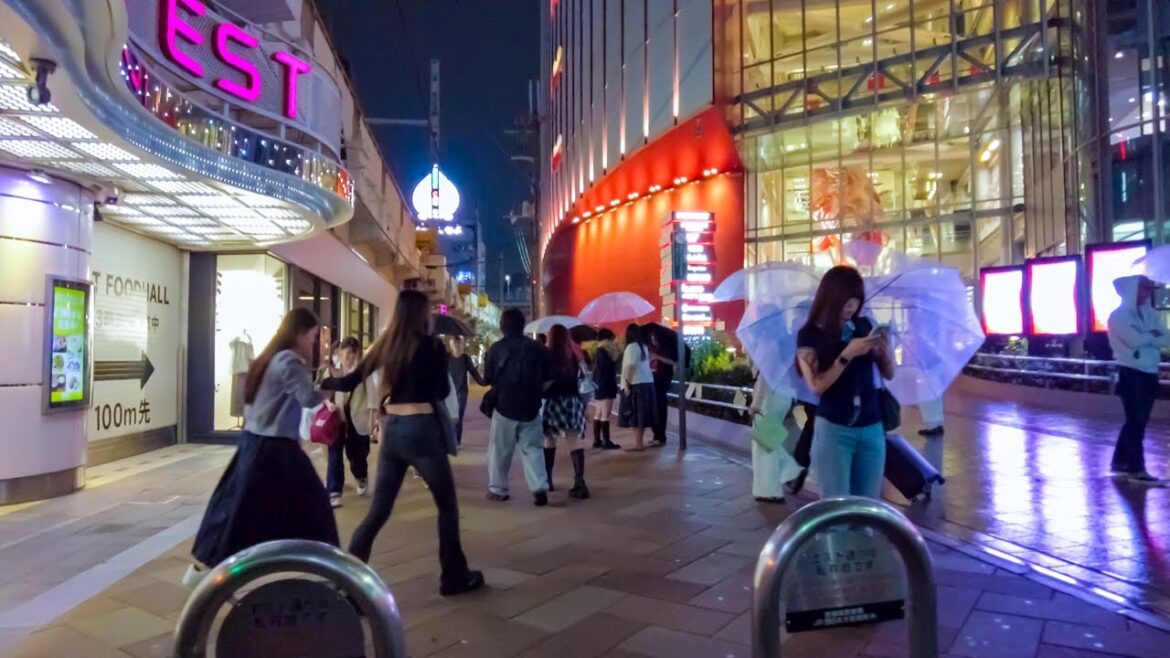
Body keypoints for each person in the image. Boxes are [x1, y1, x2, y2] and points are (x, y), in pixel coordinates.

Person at [322, 290, 484, 596]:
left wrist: (322, 381)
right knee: (446, 505)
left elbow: (347, 382)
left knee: (378, 511)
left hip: (393, 430)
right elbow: (439, 390)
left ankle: (347, 582)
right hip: (421, 429)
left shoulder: (386, 345)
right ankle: (454, 575)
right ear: (421, 314)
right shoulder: (432, 346)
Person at [190, 308, 338, 579]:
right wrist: (333, 386)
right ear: (299, 333)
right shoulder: (289, 361)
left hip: (254, 444)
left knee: (237, 509)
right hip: (277, 449)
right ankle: (329, 569)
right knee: (315, 507)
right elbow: (308, 398)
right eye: (313, 336)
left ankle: (207, 567)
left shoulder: (268, 359)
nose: (314, 343)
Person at [795, 265, 894, 498]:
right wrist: (846, 355)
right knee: (836, 507)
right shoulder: (810, 334)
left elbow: (889, 374)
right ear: (831, 298)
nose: (852, 307)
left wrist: (883, 351)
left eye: (856, 301)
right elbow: (816, 386)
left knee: (867, 507)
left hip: (871, 427)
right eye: (846, 301)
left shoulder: (864, 326)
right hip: (834, 429)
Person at [484, 309, 555, 505]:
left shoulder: (496, 349)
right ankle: (539, 486)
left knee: (499, 449)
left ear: (502, 326)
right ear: (523, 325)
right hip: (531, 407)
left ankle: (498, 489)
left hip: (504, 406)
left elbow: (487, 378)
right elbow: (549, 379)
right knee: (533, 449)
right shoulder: (539, 349)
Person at [1107, 275, 1170, 484]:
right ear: (1132, 290)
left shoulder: (1148, 313)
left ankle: (1121, 463)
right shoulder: (1118, 317)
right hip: (1131, 373)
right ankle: (1135, 468)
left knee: (1137, 422)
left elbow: (1167, 337)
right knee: (1136, 421)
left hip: (1149, 372)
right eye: (1144, 288)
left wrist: (1147, 336)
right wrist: (1152, 336)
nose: (1148, 292)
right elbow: (1134, 341)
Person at [541, 324, 591, 498]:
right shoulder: (574, 356)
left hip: (553, 402)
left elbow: (544, 381)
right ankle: (579, 482)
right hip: (572, 402)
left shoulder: (547, 356)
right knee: (573, 441)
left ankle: (547, 480)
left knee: (549, 439)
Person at [325, 337, 374, 508]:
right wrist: (328, 403)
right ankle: (334, 491)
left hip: (358, 419)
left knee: (357, 455)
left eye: (354, 353)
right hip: (337, 419)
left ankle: (361, 477)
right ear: (340, 352)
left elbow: (372, 397)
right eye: (348, 353)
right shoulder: (332, 371)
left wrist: (373, 421)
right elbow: (324, 392)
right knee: (334, 454)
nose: (351, 357)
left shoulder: (363, 372)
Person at [749, 368, 803, 503]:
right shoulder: (786, 357)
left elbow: (763, 378)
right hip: (784, 398)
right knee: (770, 443)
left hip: (769, 399)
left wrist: (755, 403)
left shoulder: (769, 352)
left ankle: (771, 489)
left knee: (763, 445)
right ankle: (771, 487)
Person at [618, 323, 658, 451]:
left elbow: (631, 366)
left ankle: (638, 444)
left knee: (635, 415)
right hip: (646, 383)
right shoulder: (643, 347)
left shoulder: (631, 347)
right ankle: (638, 442)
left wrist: (627, 384)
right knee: (640, 416)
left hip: (635, 384)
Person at [448, 335, 486, 445]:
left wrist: (483, 382)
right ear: (451, 345)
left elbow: (474, 372)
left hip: (462, 393)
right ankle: (450, 440)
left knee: (458, 417)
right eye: (455, 343)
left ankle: (456, 441)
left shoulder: (465, 359)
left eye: (459, 343)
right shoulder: (447, 358)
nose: (457, 346)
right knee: (450, 418)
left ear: (462, 345)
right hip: (449, 394)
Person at [591, 328, 622, 449]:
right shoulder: (606, 350)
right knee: (605, 413)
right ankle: (606, 441)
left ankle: (597, 440)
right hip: (606, 384)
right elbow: (615, 361)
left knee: (598, 412)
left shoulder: (598, 349)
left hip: (598, 384)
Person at [648, 331, 676, 447]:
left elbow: (672, 362)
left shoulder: (666, 349)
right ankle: (656, 435)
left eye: (653, 337)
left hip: (661, 382)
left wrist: (658, 357)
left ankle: (661, 436)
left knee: (660, 409)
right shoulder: (652, 349)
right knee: (653, 409)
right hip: (651, 381)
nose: (652, 340)